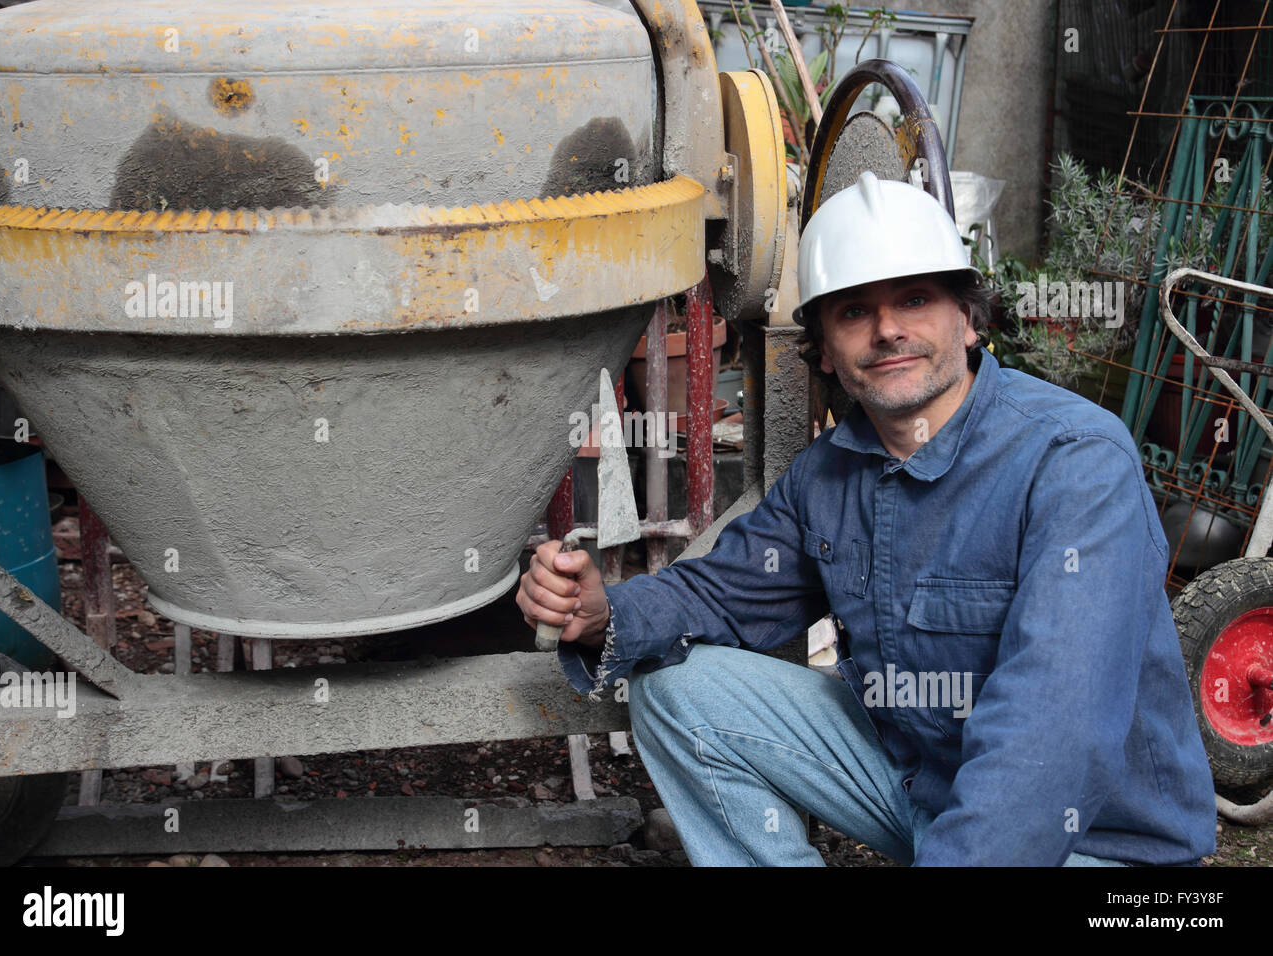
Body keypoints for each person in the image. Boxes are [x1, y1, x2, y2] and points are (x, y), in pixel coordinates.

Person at [516, 171, 1217, 866]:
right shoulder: (831, 473)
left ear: (968, 319)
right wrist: (603, 611)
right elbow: (721, 593)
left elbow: (1054, 732)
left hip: (1088, 843)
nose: (887, 331)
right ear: (823, 346)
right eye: (854, 311)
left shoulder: (1074, 461)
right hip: (919, 792)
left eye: (915, 299)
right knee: (678, 690)